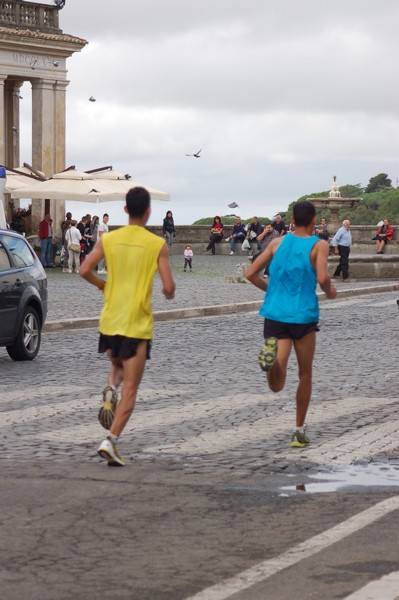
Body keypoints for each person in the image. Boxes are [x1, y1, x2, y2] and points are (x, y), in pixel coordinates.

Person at [80, 187, 175, 466]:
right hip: (137, 323)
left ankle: (110, 388)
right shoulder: (156, 244)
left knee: (118, 367)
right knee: (132, 388)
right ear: (148, 212)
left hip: (109, 321)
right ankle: (111, 440)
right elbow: (168, 287)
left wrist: (102, 285)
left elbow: (85, 269)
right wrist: (168, 292)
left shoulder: (110, 239)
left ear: (125, 210)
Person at [246, 200, 336, 448]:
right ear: (314, 220)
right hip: (303, 316)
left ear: (293, 220)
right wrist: (331, 292)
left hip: (275, 314)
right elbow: (323, 277)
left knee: (277, 383)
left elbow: (250, 273)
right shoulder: (319, 245)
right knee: (305, 373)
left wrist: (271, 290)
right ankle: (298, 431)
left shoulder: (276, 242)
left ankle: (272, 362)